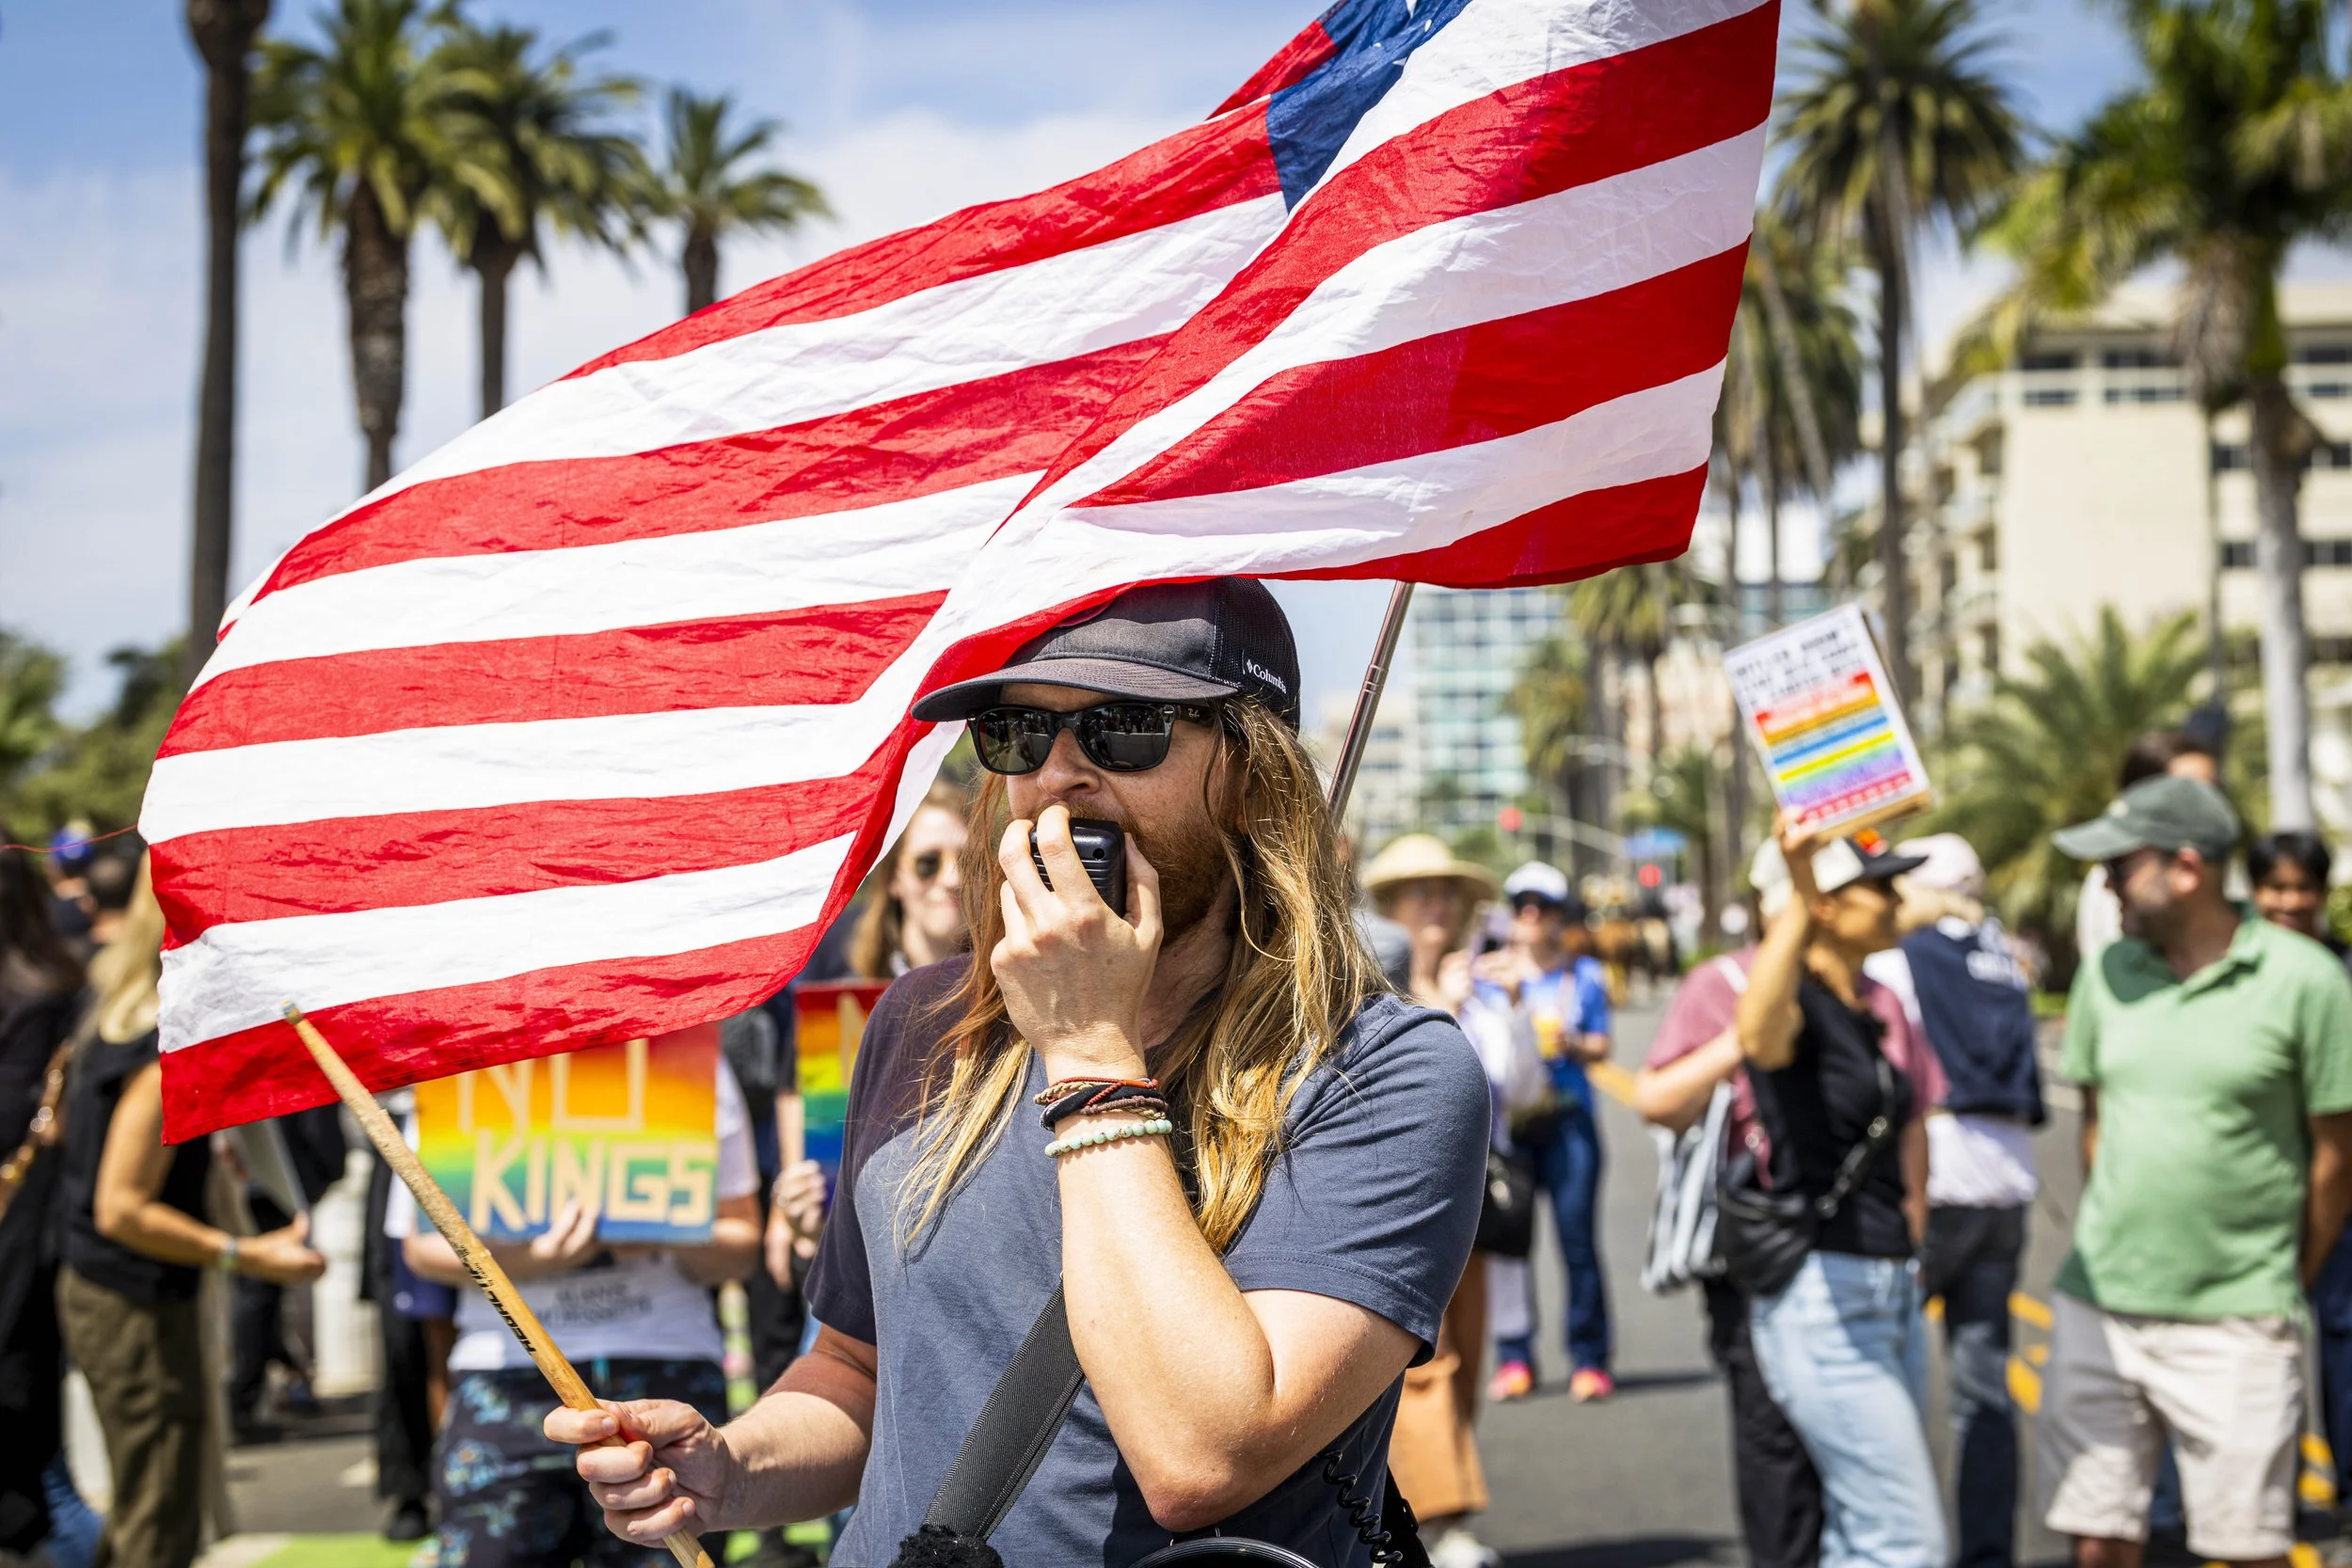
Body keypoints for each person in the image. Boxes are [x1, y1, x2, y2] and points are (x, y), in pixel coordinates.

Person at [547, 578, 1489, 1565]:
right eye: (1018, 734)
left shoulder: (1383, 1072)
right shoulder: (921, 1021)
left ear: (1253, 777)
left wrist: (1088, 1049)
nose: (1060, 775)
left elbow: (1200, 1453)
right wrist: (731, 1468)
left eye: (1125, 728)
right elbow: (859, 1369)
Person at [2041, 780, 2352, 1568]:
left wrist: (2283, 1277)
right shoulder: (2107, 972)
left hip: (2238, 1320)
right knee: (2100, 1539)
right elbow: (2098, 1119)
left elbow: (2335, 1155)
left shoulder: (2307, 980)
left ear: (2186, 867)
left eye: (2119, 863)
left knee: (2246, 1548)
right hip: (2098, 1308)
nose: (2105, 881)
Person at [390, 1040, 762, 1568]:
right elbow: (421, 1246)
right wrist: (534, 1258)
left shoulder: (684, 1056)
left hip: (663, 1367)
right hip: (505, 1375)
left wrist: (659, 1229)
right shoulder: (460, 1066)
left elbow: (740, 1244)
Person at [56, 858, 326, 1568]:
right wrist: (247, 1254)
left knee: (153, 1495)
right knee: (161, 1508)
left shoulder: (115, 1011)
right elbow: (121, 1207)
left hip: (115, 1289)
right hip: (130, 1297)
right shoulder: (152, 1040)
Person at [1732, 819, 1948, 1568]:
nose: (1896, 899)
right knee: (1906, 1542)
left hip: (1887, 1289)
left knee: (1865, 1533)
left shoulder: (1863, 1003)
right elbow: (1756, 1034)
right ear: (1829, 905)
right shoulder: (1796, 1004)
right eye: (1880, 885)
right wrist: (1798, 883)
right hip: (1826, 1298)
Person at [1864, 833, 2043, 1568]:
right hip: (2008, 1187)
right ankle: (1987, 1554)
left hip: (1932, 1188)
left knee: (1875, 1381)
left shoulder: (1898, 962)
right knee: (1984, 1387)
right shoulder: (2006, 957)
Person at [1633, 934, 1823, 1568]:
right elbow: (1655, 1098)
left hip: (1849, 1246)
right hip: (1754, 1241)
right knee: (1771, 1430)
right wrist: (1748, 1032)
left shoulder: (1871, 984)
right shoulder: (1720, 983)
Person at [1363, 832, 1505, 1568]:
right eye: (1419, 890)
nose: (1436, 903)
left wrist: (1468, 1006)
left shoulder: (1482, 988)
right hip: (1400, 1196)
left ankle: (1424, 1505)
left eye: (1446, 889)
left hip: (1478, 1200)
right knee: (1424, 1363)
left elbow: (1524, 1084)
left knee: (1466, 1356)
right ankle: (1439, 1522)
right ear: (1387, 905)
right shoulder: (1362, 983)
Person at [1477, 860, 1613, 1403]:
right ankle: (1515, 1357)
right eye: (1522, 905)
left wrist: (1570, 1043)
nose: (1531, 915)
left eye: (1544, 907)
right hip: (1511, 1125)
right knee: (1510, 1245)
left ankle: (1590, 1357)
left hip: (1569, 1120)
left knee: (1577, 1242)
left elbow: (1604, 1046)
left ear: (1560, 917)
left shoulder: (1585, 976)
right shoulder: (1486, 974)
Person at [2246, 832, 2352, 1521]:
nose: (2289, 901)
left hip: (2336, 1183)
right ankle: (2261, 1495)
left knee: (2340, 1335)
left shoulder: (2338, 969)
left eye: (2301, 887)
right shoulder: (2237, 967)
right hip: (2260, 1186)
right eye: (2275, 887)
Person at [0, 827, 85, 1561]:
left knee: (36, 1484)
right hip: (36, 1259)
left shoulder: (39, 1000)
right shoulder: (59, 987)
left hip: (23, 1254)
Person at [2074, 731, 2217, 960]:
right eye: (2189, 791)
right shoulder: (2112, 889)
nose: (2209, 804)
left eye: (2214, 791)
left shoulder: (2225, 873)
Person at [849, 780, 972, 981]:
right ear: (894, 877)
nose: (954, 879)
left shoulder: (1013, 994)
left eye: (969, 861)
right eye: (929, 862)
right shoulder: (845, 1004)